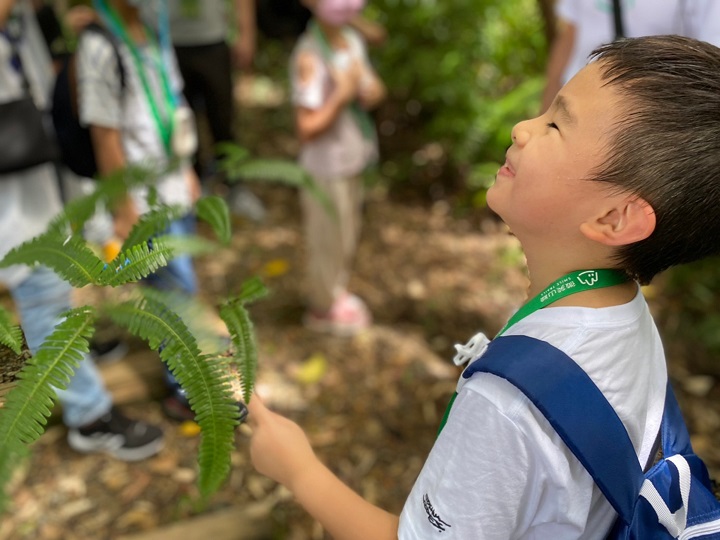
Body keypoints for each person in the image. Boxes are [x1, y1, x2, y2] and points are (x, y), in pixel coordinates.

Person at [246, 35, 720, 538]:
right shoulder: (627, 320)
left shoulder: (509, 403)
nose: (522, 127)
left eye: (556, 124)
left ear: (614, 217)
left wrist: (299, 471)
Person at [0, 0, 163, 461]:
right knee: (40, 290)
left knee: (57, 278)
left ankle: (87, 357)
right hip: (11, 192)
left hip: (38, 170)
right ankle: (90, 417)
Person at [75, 0, 206, 420]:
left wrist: (187, 170)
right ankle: (185, 390)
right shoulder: (98, 45)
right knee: (176, 291)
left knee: (178, 287)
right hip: (142, 199)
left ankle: (186, 376)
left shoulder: (152, 27)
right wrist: (124, 206)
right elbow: (105, 134)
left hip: (172, 185)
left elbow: (172, 100)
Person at [291, 0, 386, 336]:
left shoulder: (351, 40)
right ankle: (321, 308)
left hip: (352, 156)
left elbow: (372, 88)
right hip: (325, 166)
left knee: (346, 231)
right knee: (326, 238)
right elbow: (305, 126)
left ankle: (335, 292)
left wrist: (370, 90)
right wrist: (341, 96)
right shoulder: (309, 54)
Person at [167, 0, 266, 222]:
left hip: (213, 40)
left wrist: (246, 33)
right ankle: (192, 191)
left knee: (223, 119)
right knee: (181, 122)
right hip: (170, 42)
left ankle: (234, 186)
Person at [540, 0, 720, 112]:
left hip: (648, 111)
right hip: (577, 101)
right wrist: (548, 108)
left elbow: (710, 61)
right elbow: (570, 32)